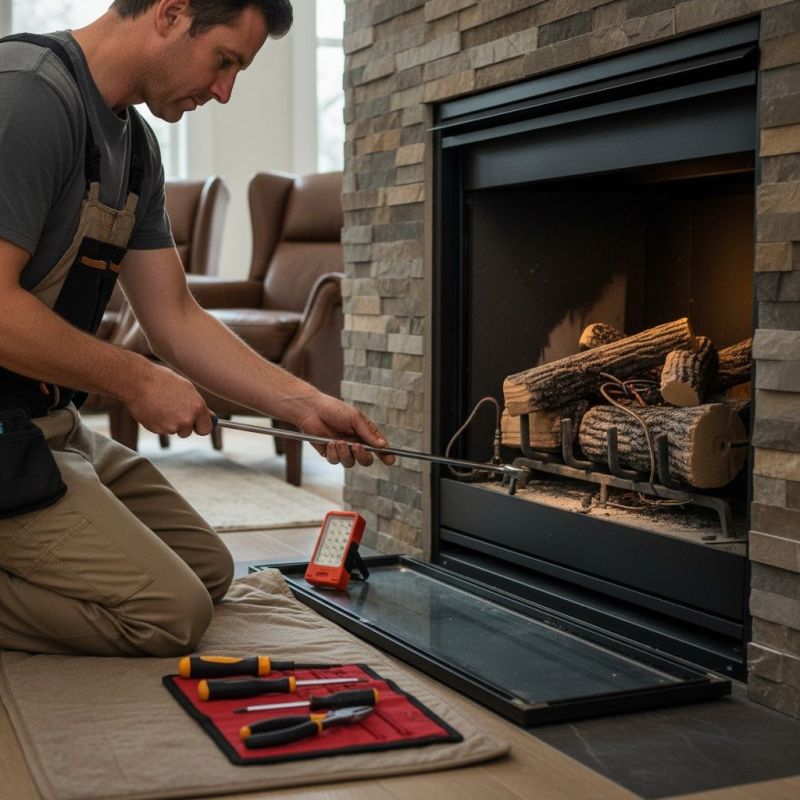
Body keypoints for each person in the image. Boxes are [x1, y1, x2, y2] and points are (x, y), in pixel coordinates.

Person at [0, 0, 392, 658]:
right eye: (225, 61)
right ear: (172, 12)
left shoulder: (136, 150)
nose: (225, 91)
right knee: (168, 614)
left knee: (208, 573)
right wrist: (135, 378)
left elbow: (177, 319)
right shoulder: (31, 100)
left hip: (44, 424)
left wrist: (304, 404)